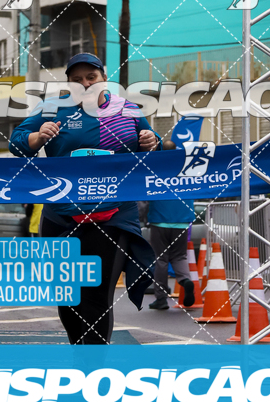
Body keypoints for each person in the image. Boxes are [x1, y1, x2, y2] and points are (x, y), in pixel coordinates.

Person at [10, 52, 160, 345]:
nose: (86, 84)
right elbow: (17, 142)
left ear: (104, 78)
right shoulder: (52, 109)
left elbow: (149, 144)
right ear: (68, 84)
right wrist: (37, 137)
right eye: (77, 79)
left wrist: (150, 141)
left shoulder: (126, 109)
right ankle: (81, 358)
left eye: (91, 77)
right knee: (67, 298)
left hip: (112, 215)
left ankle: (92, 372)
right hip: (61, 217)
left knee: (95, 296)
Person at [146, 143, 196, 310]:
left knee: (160, 259)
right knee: (179, 256)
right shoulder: (188, 168)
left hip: (159, 219)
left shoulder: (155, 166)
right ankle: (185, 280)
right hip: (181, 220)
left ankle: (161, 298)